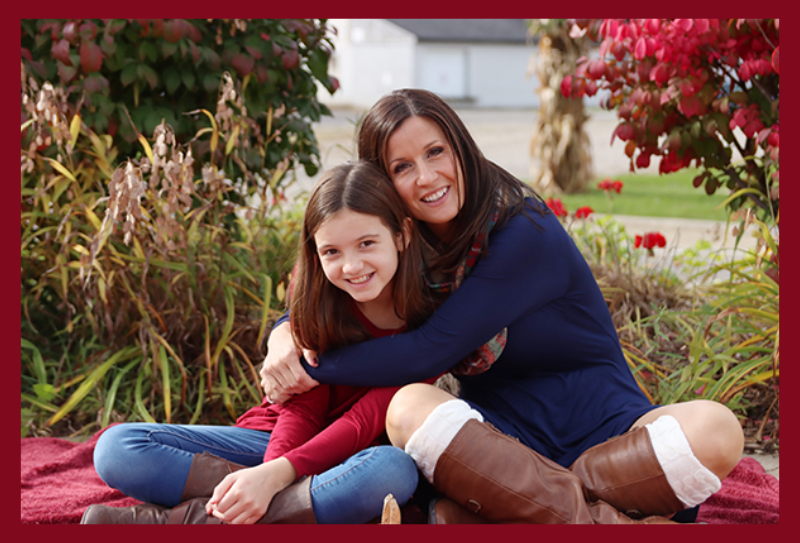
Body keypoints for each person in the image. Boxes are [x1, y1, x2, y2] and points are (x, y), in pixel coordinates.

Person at [259, 88, 745, 524]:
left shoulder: (523, 231)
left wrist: (313, 366)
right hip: (502, 444)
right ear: (381, 184)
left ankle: (529, 509)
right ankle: (603, 521)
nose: (427, 177)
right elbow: (333, 285)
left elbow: (429, 350)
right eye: (401, 167)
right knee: (408, 409)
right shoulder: (406, 244)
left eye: (435, 152)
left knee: (716, 430)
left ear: (460, 149)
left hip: (608, 429)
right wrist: (286, 330)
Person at [83, 161, 438, 524]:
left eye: (366, 243)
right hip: (274, 440)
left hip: (352, 455)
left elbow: (363, 422)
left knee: (392, 472)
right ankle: (283, 510)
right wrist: (267, 474)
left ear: (402, 234)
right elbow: (303, 408)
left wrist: (273, 478)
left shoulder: (433, 318)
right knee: (117, 450)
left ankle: (182, 522)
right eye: (332, 251)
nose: (351, 266)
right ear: (315, 251)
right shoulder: (317, 291)